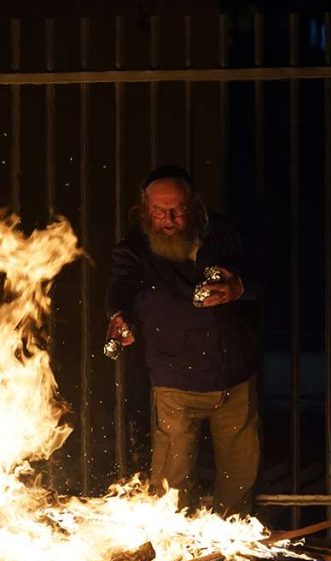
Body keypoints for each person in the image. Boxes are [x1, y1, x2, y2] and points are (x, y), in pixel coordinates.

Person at [105, 164, 261, 517]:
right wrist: (118, 316)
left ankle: (232, 560)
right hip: (176, 385)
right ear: (145, 211)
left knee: (239, 480)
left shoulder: (224, 233)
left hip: (235, 380)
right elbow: (121, 288)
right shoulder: (134, 250)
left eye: (177, 209)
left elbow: (262, 277)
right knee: (172, 484)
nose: (170, 218)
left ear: (194, 206)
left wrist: (239, 287)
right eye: (160, 211)